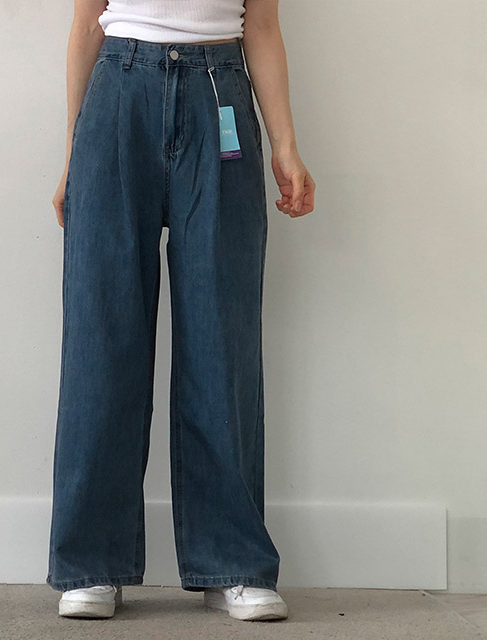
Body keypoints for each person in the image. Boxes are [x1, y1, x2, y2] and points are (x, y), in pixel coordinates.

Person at [47, 0, 316, 622]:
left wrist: (285, 145)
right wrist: (71, 155)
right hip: (118, 97)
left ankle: (234, 562)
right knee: (101, 337)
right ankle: (92, 563)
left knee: (223, 338)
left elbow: (262, 26)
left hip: (220, 93)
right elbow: (87, 24)